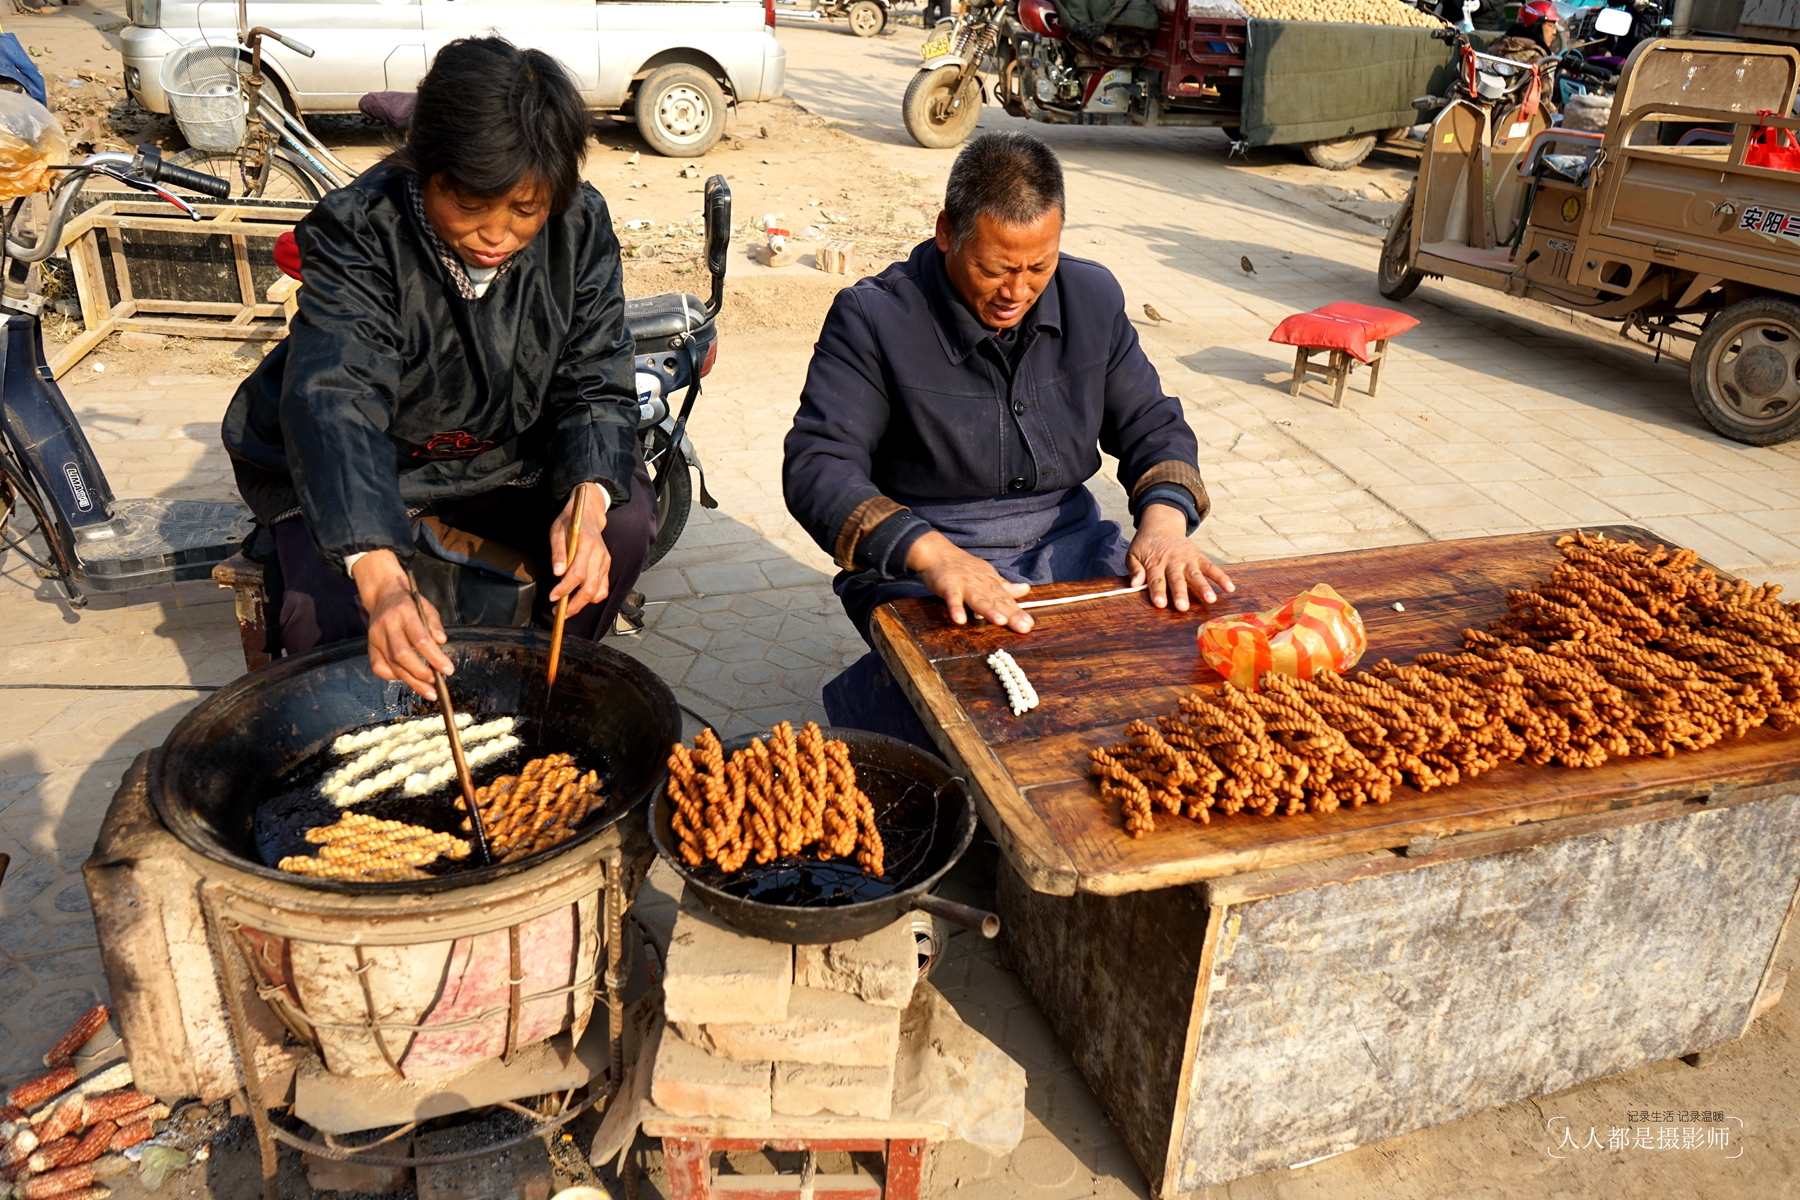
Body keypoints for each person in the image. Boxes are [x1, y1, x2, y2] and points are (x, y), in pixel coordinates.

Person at [222, 37, 653, 699]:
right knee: (325, 619)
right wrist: (385, 578)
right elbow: (338, 398)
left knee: (620, 522)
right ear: (427, 172)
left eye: (525, 210)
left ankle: (531, 688)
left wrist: (586, 502)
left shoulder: (579, 225)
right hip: (377, 471)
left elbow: (595, 374)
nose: (497, 234)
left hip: (506, 460)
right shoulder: (360, 231)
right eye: (471, 206)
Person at [783, 131, 1233, 745]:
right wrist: (935, 555)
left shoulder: (1092, 297)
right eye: (995, 269)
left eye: (1038, 268)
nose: (1017, 292)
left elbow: (1153, 424)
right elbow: (818, 465)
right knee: (974, 714)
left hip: (1069, 539)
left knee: (1162, 672)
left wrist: (1163, 530)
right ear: (947, 232)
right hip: (926, 553)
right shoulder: (873, 318)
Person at [1491, 0, 1559, 62]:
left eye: (1554, 27)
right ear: (1536, 26)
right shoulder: (1535, 57)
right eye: (1550, 26)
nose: (1554, 32)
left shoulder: (1501, 43)